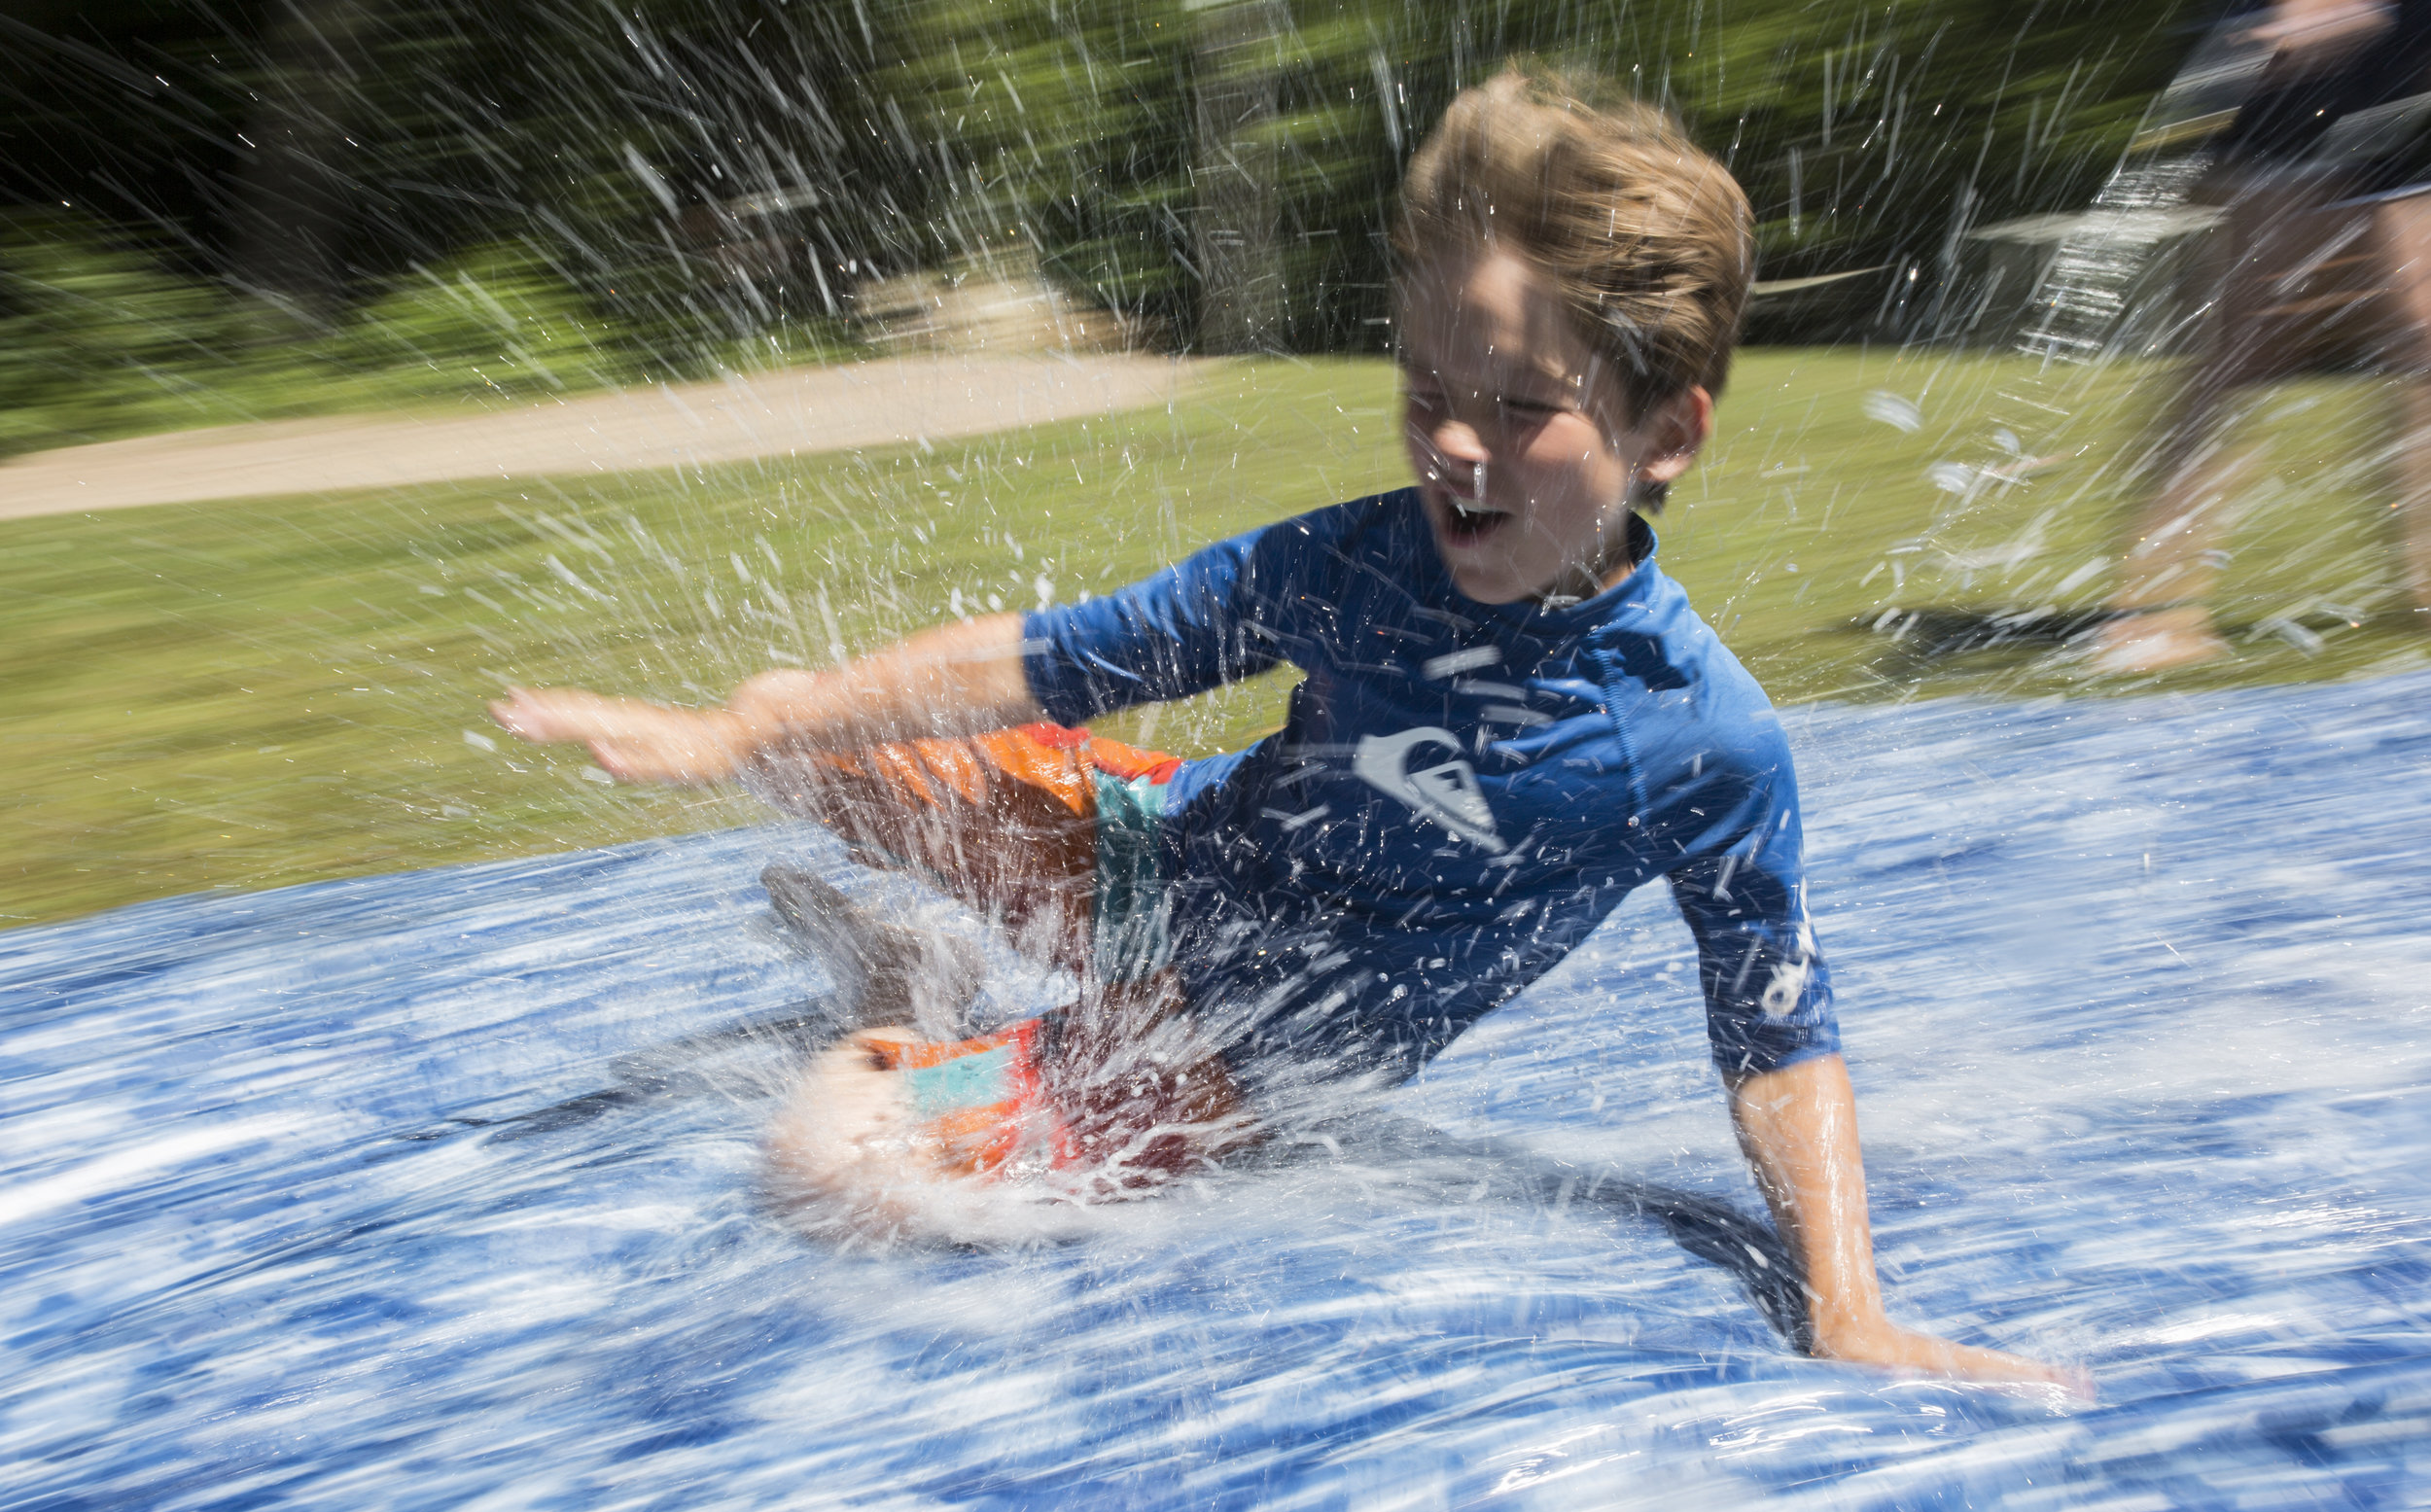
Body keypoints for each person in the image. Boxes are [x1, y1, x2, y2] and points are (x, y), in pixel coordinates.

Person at [494, 71, 2073, 1389]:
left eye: (1522, 405)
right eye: (1426, 386)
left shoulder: (1695, 742)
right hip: (1147, 851)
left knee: (832, 1173)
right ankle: (911, 931)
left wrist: (1845, 1301)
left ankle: (903, 1009)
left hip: (1222, 1046)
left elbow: (1779, 1032)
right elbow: (1059, 660)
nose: (1456, 444)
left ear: (1668, 429)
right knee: (819, 741)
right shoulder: (1344, 563)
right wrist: (737, 723)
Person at [2099, 0, 2431, 672]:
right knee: (2241, 356)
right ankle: (2152, 606)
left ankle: (2424, 581)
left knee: (2419, 349)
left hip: (2379, 100)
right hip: (2304, 114)